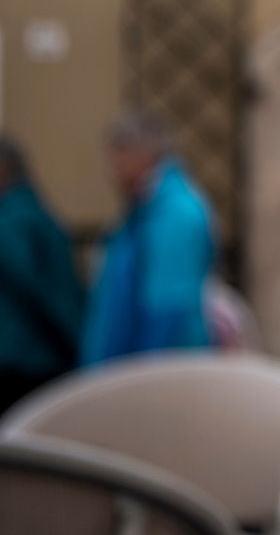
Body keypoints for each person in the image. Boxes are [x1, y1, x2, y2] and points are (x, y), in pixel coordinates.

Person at [83, 113, 216, 366]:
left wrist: (145, 380)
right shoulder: (144, 209)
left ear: (142, 154)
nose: (111, 170)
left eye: (118, 155)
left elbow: (169, 309)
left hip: (159, 375)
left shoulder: (175, 213)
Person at [0, 138, 82, 421]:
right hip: (34, 356)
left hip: (22, 360)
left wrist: (71, 340)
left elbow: (38, 289)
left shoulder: (12, 220)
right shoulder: (35, 213)